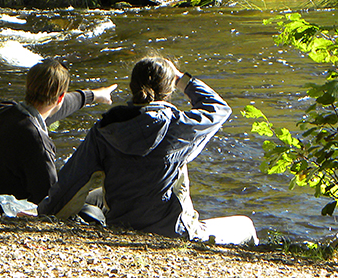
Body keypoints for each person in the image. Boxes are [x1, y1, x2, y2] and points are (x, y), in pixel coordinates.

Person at [38, 57, 253, 243]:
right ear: (168, 89)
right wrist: (181, 79)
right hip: (176, 232)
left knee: (97, 195)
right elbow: (219, 108)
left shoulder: (106, 128)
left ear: (132, 86)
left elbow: (72, 180)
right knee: (246, 225)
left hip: (120, 226)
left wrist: (42, 214)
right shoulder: (180, 126)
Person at [0, 58, 116, 214]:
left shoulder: (1, 111)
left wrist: (95, 95)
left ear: (28, 86)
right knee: (102, 196)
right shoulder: (38, 142)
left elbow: (60, 106)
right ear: (59, 97)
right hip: (12, 215)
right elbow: (51, 202)